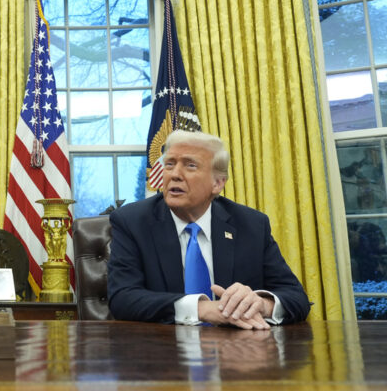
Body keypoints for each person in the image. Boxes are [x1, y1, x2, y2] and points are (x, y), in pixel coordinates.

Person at [107, 130, 310, 328]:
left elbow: (296, 297)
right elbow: (122, 298)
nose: (175, 174)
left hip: (238, 353)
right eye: (170, 164)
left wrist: (262, 304)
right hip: (162, 351)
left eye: (190, 166)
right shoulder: (132, 222)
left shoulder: (251, 225)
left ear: (217, 183)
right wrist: (203, 309)